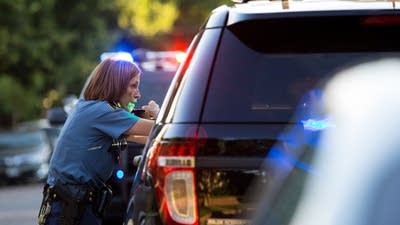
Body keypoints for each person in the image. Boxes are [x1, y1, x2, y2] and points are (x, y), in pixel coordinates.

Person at [37, 56, 160, 225]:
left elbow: (149, 139)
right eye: (133, 85)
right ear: (117, 84)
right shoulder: (103, 112)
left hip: (74, 207)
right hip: (71, 210)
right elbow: (158, 130)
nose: (138, 94)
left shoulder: (94, 109)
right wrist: (158, 113)